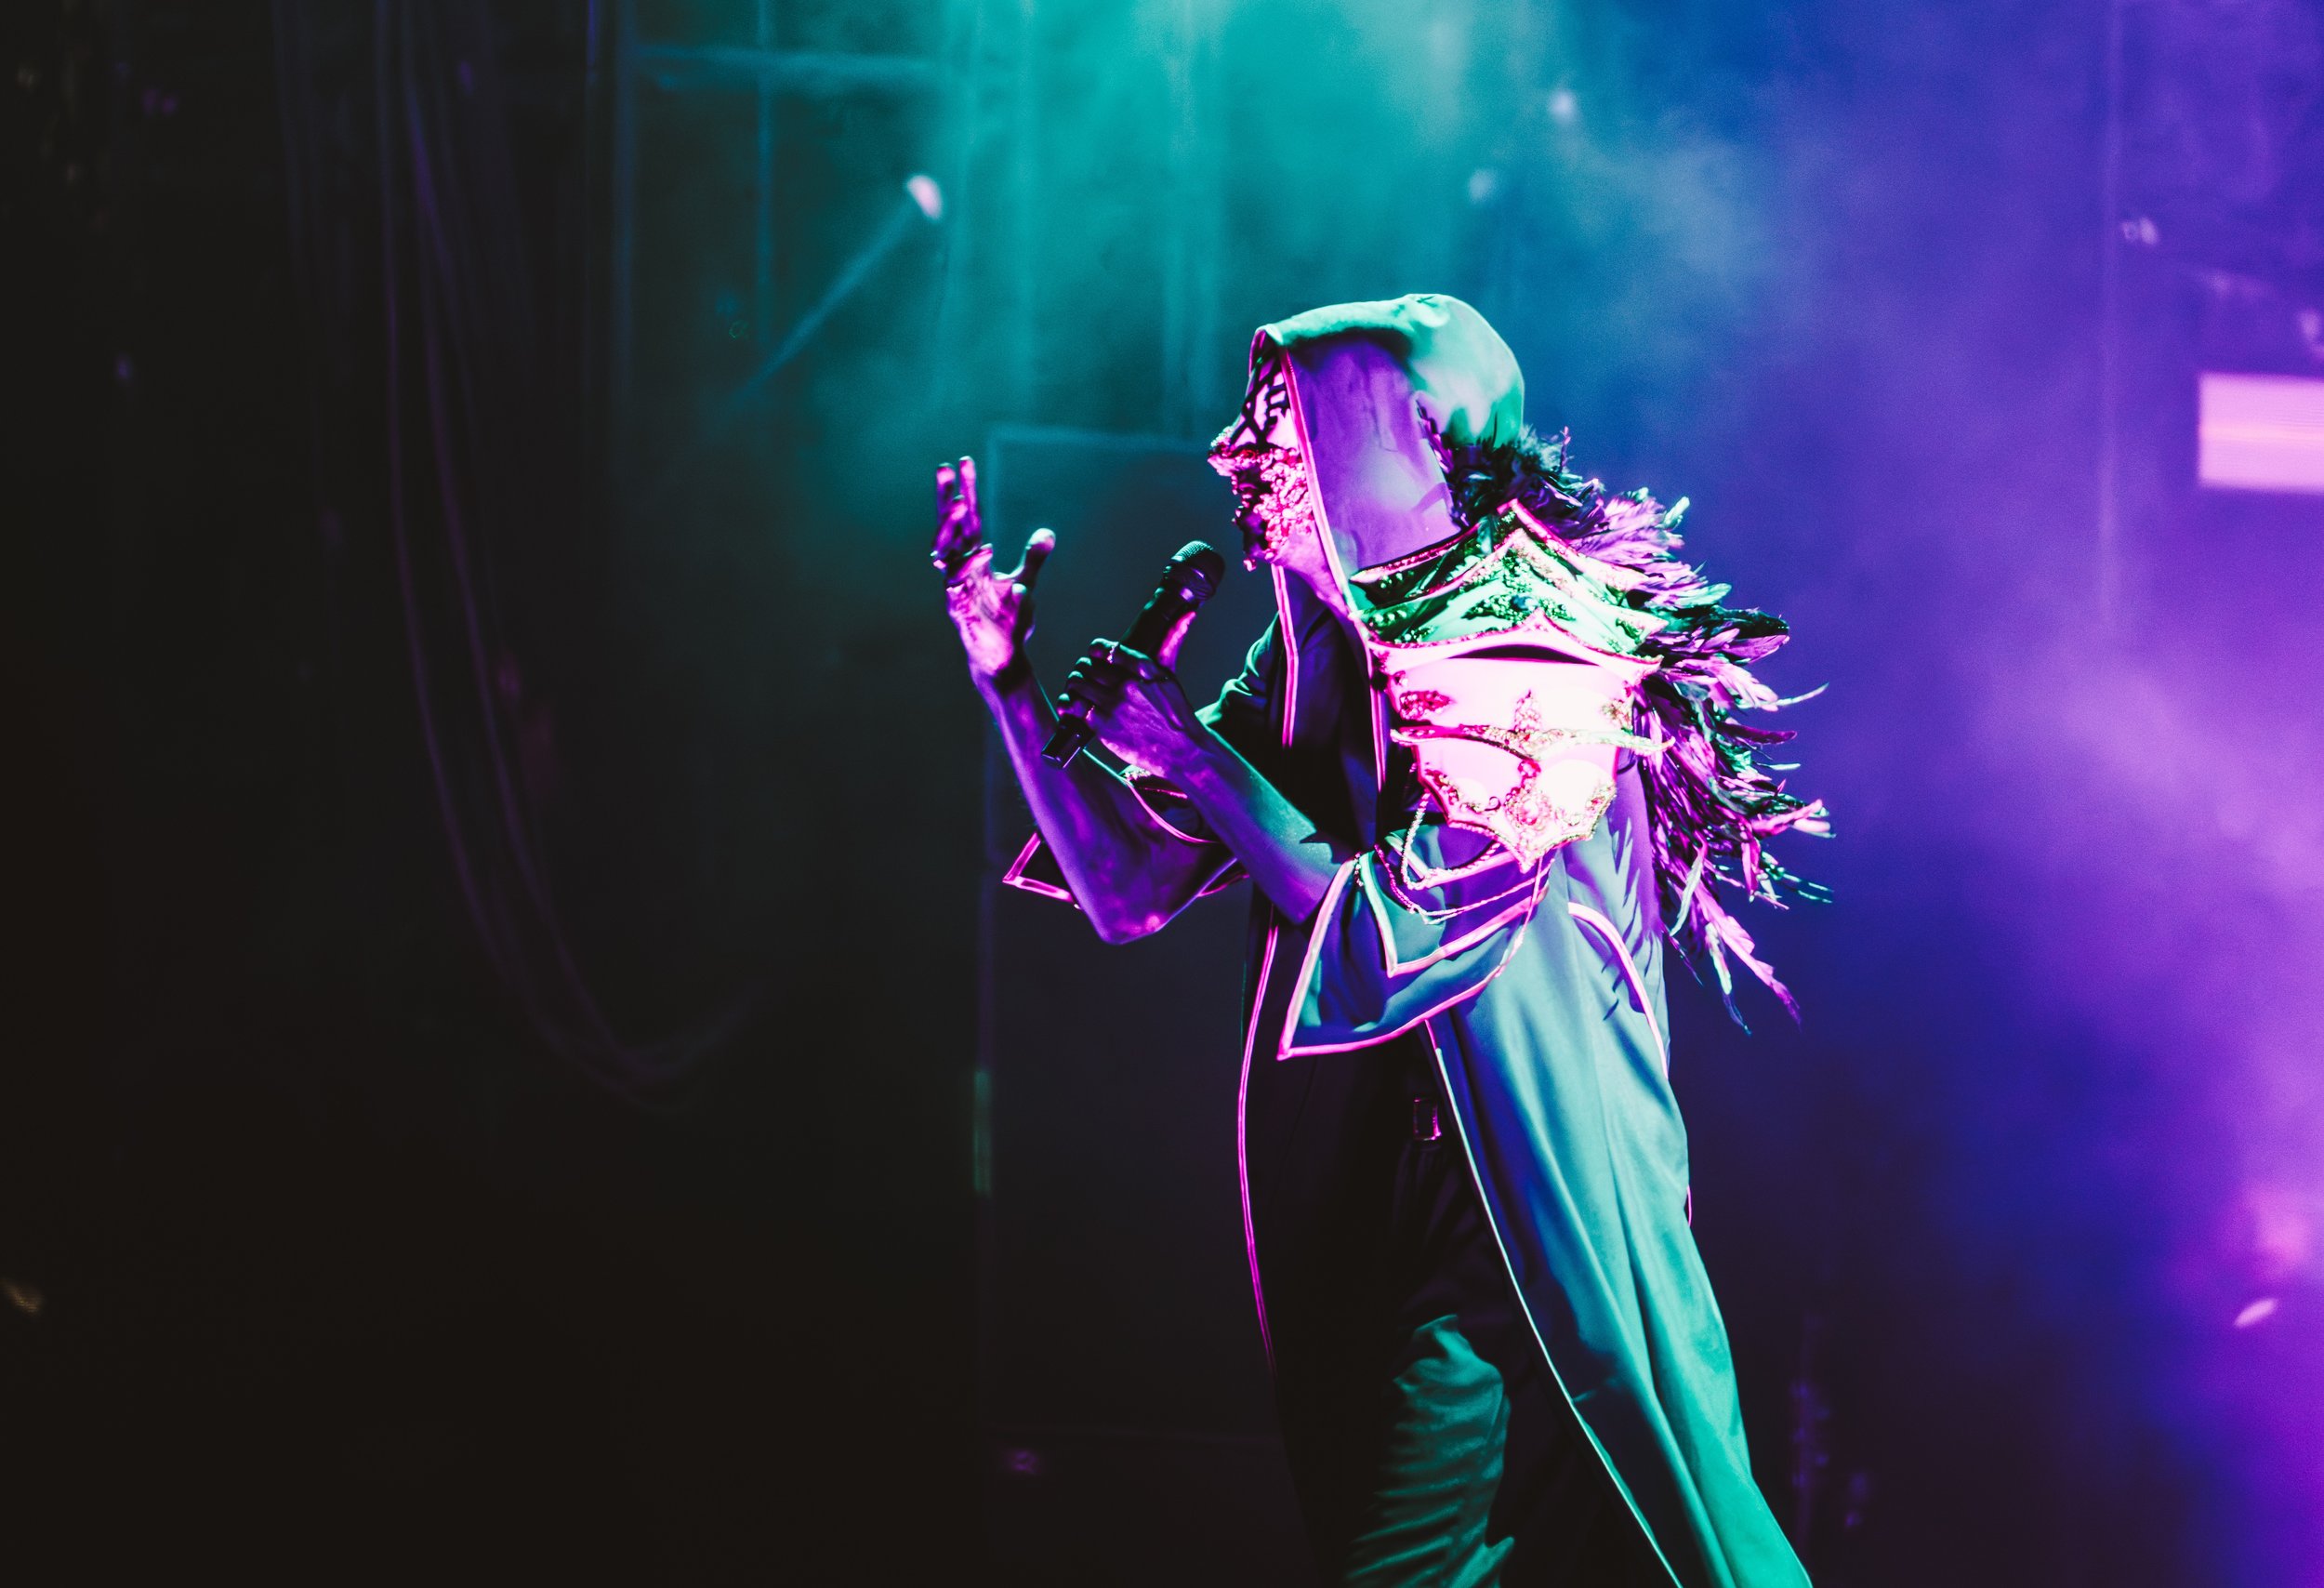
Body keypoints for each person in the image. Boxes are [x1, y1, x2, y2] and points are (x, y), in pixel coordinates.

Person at [933, 294, 1827, 1587]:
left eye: (1282, 421)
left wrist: (1188, 749)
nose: (1240, 456)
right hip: (1389, 1192)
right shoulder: (1315, 652)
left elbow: (1401, 926)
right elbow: (1128, 888)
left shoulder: (1537, 643)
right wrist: (1008, 682)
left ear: (1393, 435)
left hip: (1523, 1203)